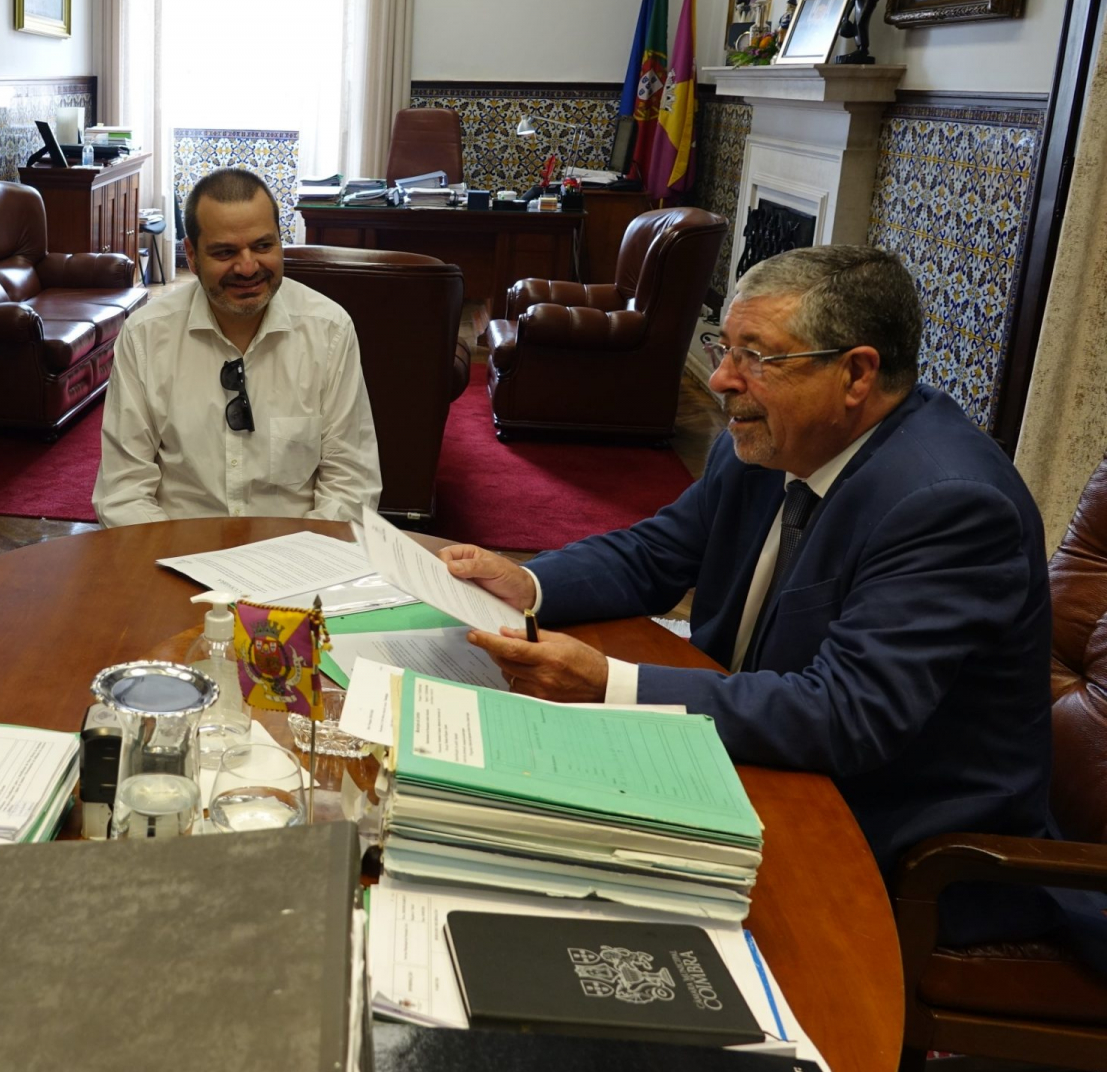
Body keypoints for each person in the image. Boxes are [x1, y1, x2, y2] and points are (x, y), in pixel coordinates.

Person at [444, 244, 1083, 951]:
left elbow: (846, 714)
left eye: (756, 356)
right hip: (748, 764)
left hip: (892, 848)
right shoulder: (768, 439)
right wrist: (529, 582)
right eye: (725, 348)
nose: (721, 379)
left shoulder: (948, 505)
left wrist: (609, 684)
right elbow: (660, 552)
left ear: (856, 374)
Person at [91, 168, 382, 526]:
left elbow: (351, 484)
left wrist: (300, 556)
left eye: (263, 246)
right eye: (225, 252)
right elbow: (123, 492)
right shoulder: (145, 336)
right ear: (192, 256)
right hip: (177, 549)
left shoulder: (329, 330)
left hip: (296, 549)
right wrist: (177, 557)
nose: (247, 267)